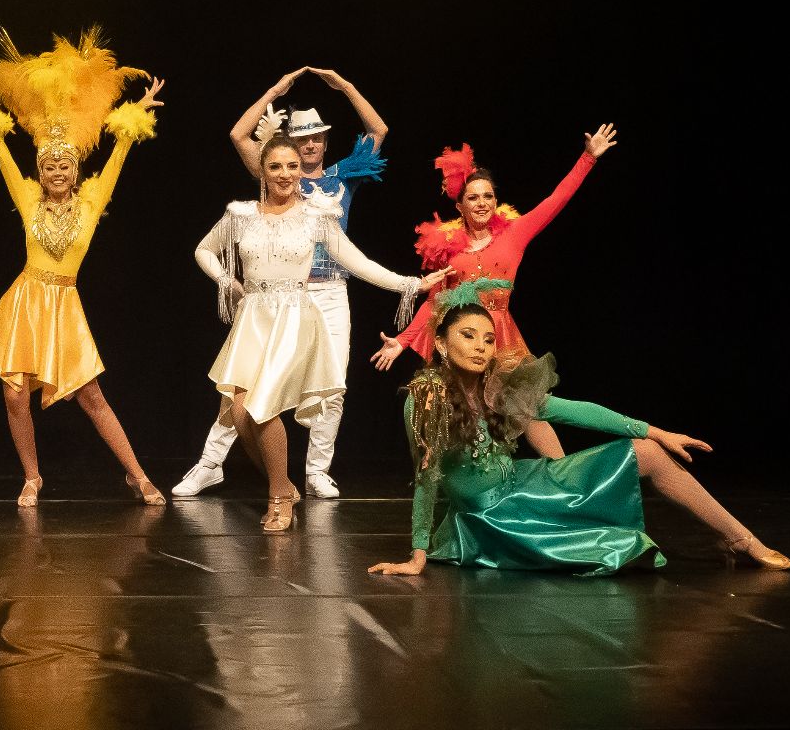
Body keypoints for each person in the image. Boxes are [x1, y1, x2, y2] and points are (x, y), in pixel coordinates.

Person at [367, 302, 790, 576]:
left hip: (523, 482)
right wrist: (417, 554)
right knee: (612, 544)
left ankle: (740, 537)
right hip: (494, 516)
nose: (481, 347)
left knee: (648, 451)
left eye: (489, 338)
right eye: (468, 336)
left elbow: (576, 410)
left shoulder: (498, 386)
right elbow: (427, 476)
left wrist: (655, 430)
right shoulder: (426, 397)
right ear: (441, 345)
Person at [0, 28, 167, 508]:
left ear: (75, 172)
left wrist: (136, 113)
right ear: (40, 170)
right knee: (14, 395)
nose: (55, 172)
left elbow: (118, 157)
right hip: (25, 302)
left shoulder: (91, 204)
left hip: (65, 305)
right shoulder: (28, 199)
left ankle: (137, 475)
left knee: (91, 396)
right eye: (48, 166)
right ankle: (32, 477)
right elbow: (2, 155)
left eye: (64, 166)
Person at [194, 132, 445, 530]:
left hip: (294, 318)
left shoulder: (316, 216)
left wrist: (410, 284)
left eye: (292, 166)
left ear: (301, 170)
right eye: (275, 166)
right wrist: (227, 280)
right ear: (262, 170)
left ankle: (280, 498)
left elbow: (358, 262)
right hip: (253, 319)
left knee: (262, 409)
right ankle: (283, 484)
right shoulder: (241, 215)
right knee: (240, 414)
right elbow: (204, 250)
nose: (285, 174)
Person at [175, 66, 391, 499]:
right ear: (287, 143)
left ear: (325, 142)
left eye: (317, 138)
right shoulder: (277, 172)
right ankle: (210, 464)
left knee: (333, 383)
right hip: (277, 296)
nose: (309, 145)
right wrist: (275, 89)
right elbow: (239, 135)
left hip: (329, 290)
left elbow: (378, 130)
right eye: (302, 138)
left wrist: (345, 86)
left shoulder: (342, 176)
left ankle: (316, 471)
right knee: (241, 386)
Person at [370, 124, 617, 459]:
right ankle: (468, 473)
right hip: (463, 336)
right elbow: (435, 302)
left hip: (502, 335)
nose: (482, 203)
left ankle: (562, 470)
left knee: (528, 410)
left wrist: (588, 158)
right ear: (460, 206)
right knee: (462, 408)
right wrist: (402, 340)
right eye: (473, 197)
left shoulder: (515, 233)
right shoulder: (448, 248)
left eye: (488, 196)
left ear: (496, 201)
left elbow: (556, 199)